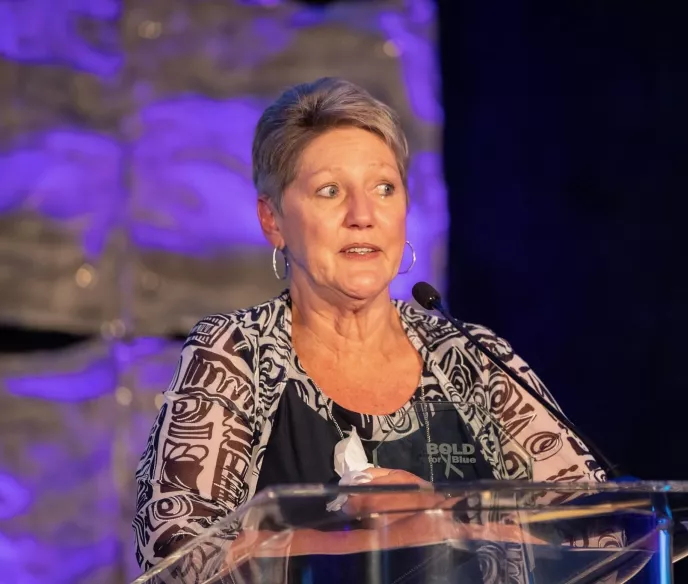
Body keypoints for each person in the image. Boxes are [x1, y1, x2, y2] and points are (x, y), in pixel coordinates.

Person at [132, 77, 608, 573]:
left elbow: (602, 529)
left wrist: (441, 517)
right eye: (330, 191)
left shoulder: (473, 358)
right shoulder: (235, 354)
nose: (363, 215)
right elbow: (177, 561)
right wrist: (407, 539)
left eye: (384, 188)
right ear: (272, 219)